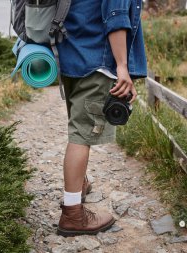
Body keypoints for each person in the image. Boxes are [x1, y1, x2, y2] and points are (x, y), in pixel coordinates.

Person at [56, 0, 147, 236]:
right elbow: (116, 16)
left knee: (78, 126)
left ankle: (79, 183)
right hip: (97, 61)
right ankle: (73, 213)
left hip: (71, 57)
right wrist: (123, 68)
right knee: (81, 136)